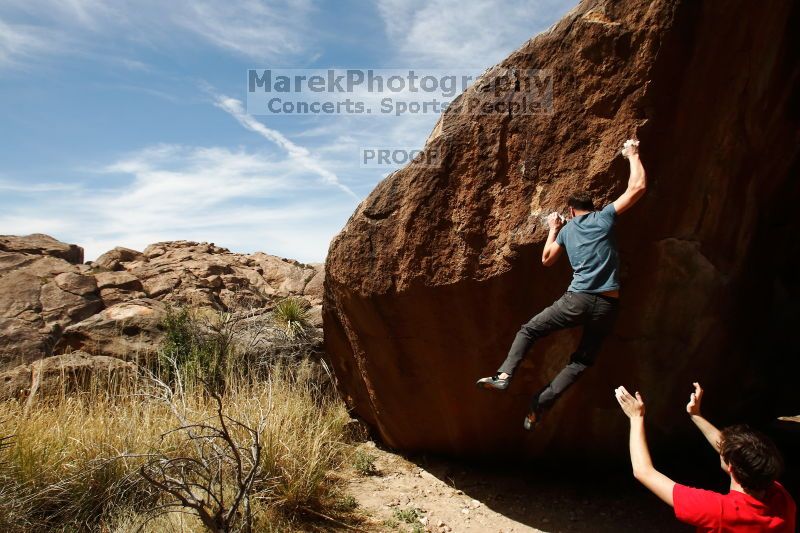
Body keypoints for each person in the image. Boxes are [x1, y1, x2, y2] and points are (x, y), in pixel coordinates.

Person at [476, 138, 647, 430]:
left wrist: (553, 230)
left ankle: (503, 377)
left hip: (577, 300)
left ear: (570, 212)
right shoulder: (604, 217)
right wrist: (633, 154)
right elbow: (637, 188)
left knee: (529, 330)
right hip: (608, 305)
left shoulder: (567, 231)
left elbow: (546, 260)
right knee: (581, 361)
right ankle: (539, 405)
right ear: (591, 207)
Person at [615, 383, 796, 532]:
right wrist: (696, 415)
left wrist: (636, 417)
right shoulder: (781, 499)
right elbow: (736, 454)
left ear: (731, 467)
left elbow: (643, 472)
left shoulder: (719, 512)